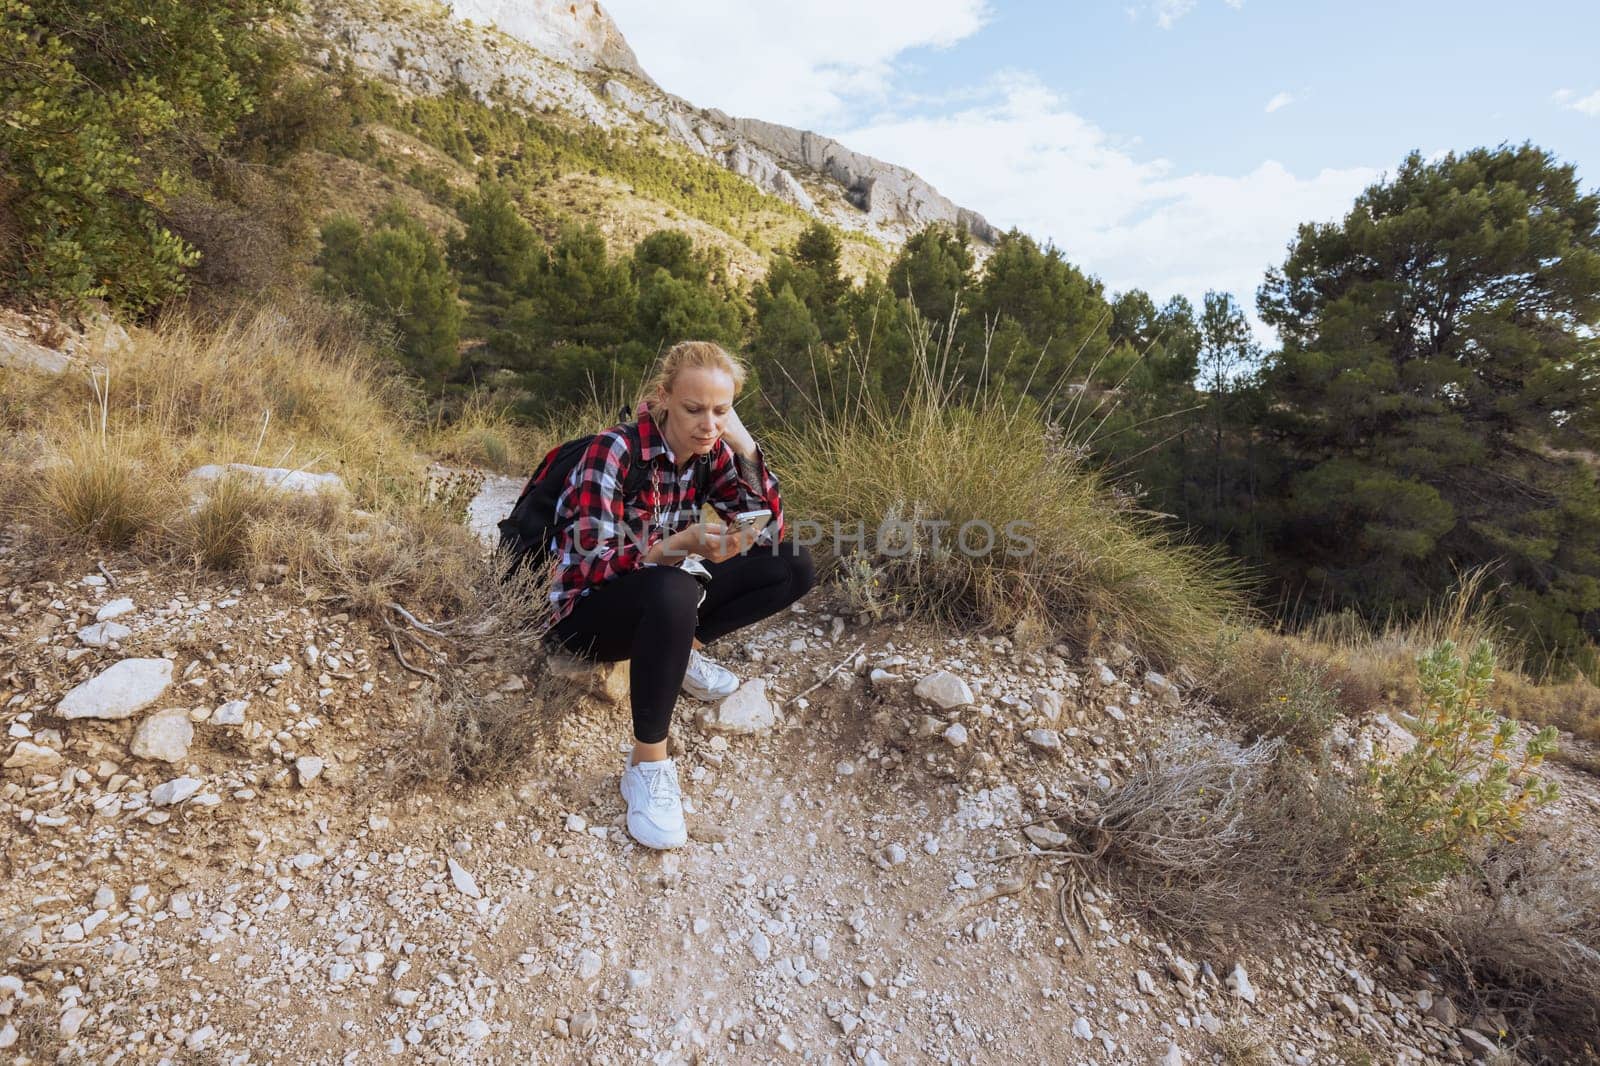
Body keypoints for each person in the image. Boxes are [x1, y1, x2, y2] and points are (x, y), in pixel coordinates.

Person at [544, 340, 815, 850]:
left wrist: (747, 448)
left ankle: (681, 648)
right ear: (663, 397)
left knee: (792, 564)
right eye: (693, 409)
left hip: (658, 592)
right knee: (673, 587)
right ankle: (648, 767)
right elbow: (590, 564)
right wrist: (675, 547)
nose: (708, 425)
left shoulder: (711, 453)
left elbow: (771, 525)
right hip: (583, 615)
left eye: (721, 411)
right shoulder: (615, 452)